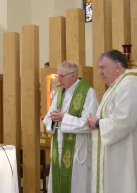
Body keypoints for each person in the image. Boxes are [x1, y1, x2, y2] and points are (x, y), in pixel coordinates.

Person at [87, 50, 137, 193]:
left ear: (117, 67)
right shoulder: (115, 87)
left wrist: (98, 123)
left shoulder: (129, 84)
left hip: (123, 154)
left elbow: (124, 121)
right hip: (114, 152)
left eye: (103, 67)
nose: (99, 72)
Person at [43, 61, 98, 193]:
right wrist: (53, 119)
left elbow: (89, 123)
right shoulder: (60, 93)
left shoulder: (87, 92)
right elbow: (48, 117)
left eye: (62, 76)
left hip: (78, 149)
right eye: (58, 76)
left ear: (73, 75)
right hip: (59, 146)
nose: (59, 80)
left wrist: (64, 118)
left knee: (76, 185)